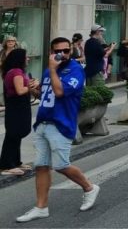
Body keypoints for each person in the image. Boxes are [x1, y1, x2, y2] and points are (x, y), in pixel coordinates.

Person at [16, 37, 99, 223]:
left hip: (61, 123)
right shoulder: (48, 72)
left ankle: (89, 188)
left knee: (61, 164)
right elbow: (47, 95)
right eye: (57, 51)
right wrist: (34, 90)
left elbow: (61, 92)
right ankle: (41, 207)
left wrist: (53, 69)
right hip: (43, 122)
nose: (62, 55)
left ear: (71, 51)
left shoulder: (75, 70)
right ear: (51, 52)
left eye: (66, 51)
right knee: (41, 166)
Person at [1, 48, 39, 175]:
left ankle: (15, 162)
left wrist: (30, 86)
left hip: (18, 106)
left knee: (16, 134)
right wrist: (30, 86)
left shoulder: (16, 71)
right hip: (16, 107)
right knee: (13, 135)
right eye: (26, 57)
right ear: (20, 59)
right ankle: (6, 165)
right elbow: (20, 90)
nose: (28, 59)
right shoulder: (16, 72)